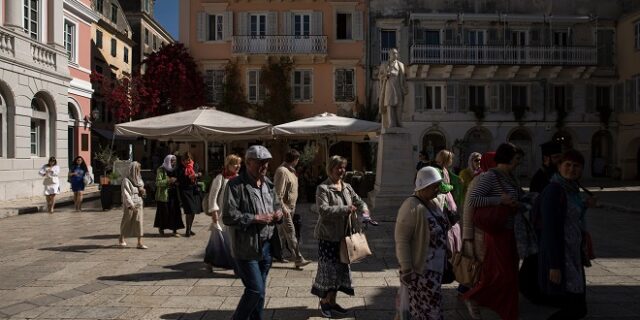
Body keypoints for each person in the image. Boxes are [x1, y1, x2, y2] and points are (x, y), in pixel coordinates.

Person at [462, 143, 525, 320]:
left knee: (511, 277)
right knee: (502, 276)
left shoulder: (511, 177)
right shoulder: (489, 177)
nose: (519, 162)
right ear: (509, 158)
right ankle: (474, 297)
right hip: (497, 234)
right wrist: (500, 200)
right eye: (517, 159)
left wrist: (517, 203)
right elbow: (473, 200)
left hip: (511, 231)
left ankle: (509, 313)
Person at [222, 145, 283, 320]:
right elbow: (228, 216)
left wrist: (278, 213)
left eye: (266, 163)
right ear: (248, 163)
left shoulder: (268, 184)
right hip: (246, 247)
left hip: (267, 246)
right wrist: (255, 218)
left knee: (261, 290)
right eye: (260, 163)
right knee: (255, 289)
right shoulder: (235, 185)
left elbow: (277, 204)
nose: (264, 166)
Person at [311, 155, 372, 318]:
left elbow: (359, 202)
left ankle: (332, 302)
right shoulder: (323, 188)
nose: (342, 170)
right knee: (328, 272)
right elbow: (323, 210)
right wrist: (345, 209)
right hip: (328, 237)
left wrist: (365, 212)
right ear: (330, 169)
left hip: (344, 237)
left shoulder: (347, 187)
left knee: (339, 271)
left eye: (344, 167)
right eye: (339, 167)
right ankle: (324, 303)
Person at [537, 150, 593, 320]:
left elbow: (571, 217)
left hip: (573, 254)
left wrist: (585, 205)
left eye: (576, 166)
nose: (571, 169)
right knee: (576, 308)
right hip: (561, 256)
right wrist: (554, 265)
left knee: (577, 307)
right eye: (567, 164)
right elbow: (549, 229)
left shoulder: (571, 190)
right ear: (559, 167)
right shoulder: (554, 190)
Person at [395, 166, 448, 320]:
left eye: (438, 185)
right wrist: (406, 268)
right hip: (420, 272)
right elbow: (402, 240)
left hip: (435, 271)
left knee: (431, 308)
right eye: (434, 186)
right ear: (423, 186)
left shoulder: (434, 202)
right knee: (426, 311)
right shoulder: (410, 206)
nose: (438, 189)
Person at [273, 149, 311, 268]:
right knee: (291, 232)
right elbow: (277, 192)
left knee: (283, 234)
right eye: (298, 159)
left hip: (291, 207)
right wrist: (282, 208)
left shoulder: (291, 171)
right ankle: (298, 258)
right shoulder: (282, 171)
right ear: (295, 160)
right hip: (285, 209)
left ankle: (278, 255)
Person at [205, 154, 242, 271]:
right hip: (221, 215)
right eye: (235, 163)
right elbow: (212, 196)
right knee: (217, 241)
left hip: (235, 215)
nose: (238, 166)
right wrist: (214, 212)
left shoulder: (239, 178)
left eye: (239, 163)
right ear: (228, 165)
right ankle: (210, 262)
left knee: (232, 241)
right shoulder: (220, 178)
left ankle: (233, 264)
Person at [154, 155, 184, 237]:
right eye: (172, 160)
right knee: (163, 212)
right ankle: (161, 229)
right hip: (164, 195)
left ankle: (175, 230)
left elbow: (179, 179)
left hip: (174, 194)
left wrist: (177, 182)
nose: (173, 162)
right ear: (168, 160)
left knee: (175, 211)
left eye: (174, 160)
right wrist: (168, 180)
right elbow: (158, 182)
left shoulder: (176, 169)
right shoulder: (161, 169)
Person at [119, 161, 147, 249]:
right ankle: (121, 238)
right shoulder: (126, 180)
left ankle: (139, 242)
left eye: (139, 169)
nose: (139, 171)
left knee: (139, 221)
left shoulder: (139, 180)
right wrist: (130, 204)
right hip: (130, 203)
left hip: (139, 202)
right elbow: (125, 193)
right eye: (137, 169)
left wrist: (143, 192)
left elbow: (143, 192)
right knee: (127, 221)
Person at [378, 48, 407, 130]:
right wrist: (385, 76)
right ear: (390, 55)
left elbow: (403, 77)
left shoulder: (401, 65)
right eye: (394, 53)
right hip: (389, 86)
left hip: (398, 86)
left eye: (396, 53)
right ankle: (391, 123)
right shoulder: (384, 65)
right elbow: (379, 76)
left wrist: (405, 88)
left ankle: (399, 122)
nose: (395, 55)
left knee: (399, 105)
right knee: (390, 104)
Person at [176, 152, 203, 237]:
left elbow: (200, 173)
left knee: (193, 210)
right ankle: (187, 230)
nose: (186, 162)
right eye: (184, 160)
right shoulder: (180, 168)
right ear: (182, 160)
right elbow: (180, 179)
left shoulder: (195, 165)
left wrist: (197, 174)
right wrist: (188, 177)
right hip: (185, 190)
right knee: (189, 210)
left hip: (194, 190)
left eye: (188, 160)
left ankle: (190, 228)